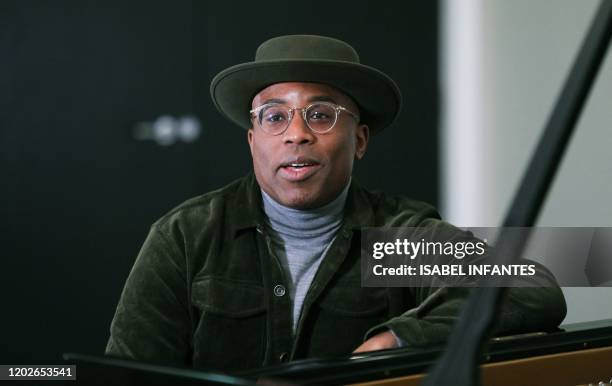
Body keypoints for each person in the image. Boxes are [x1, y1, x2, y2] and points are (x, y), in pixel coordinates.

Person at [105, 34, 566, 371]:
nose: (297, 132)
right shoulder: (188, 235)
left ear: (360, 140)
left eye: (322, 115)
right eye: (275, 117)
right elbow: (127, 375)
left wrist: (398, 339)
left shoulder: (393, 240)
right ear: (252, 140)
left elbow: (533, 289)